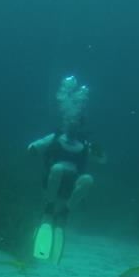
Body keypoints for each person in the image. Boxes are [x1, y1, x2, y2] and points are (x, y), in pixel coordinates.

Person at [28, 75, 101, 263]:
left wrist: (98, 151)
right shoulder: (55, 137)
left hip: (71, 185)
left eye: (75, 123)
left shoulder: (84, 144)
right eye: (70, 123)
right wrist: (32, 148)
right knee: (58, 168)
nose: (72, 126)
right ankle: (49, 206)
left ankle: (65, 212)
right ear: (65, 122)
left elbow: (102, 159)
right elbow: (37, 145)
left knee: (88, 180)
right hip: (54, 181)